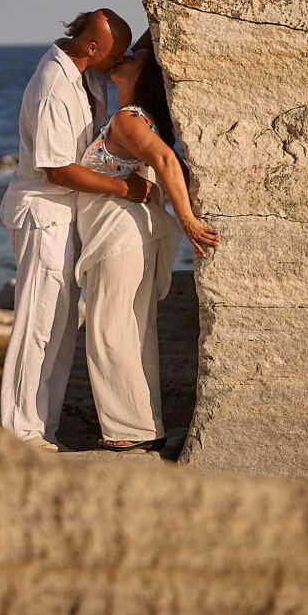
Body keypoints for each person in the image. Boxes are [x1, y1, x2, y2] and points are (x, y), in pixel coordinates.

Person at [0, 9, 152, 451]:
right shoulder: (52, 87)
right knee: (37, 325)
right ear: (92, 48)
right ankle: (20, 434)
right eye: (114, 53)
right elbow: (57, 171)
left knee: (62, 330)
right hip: (42, 216)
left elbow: (134, 53)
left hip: (66, 217)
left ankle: (43, 430)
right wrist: (123, 188)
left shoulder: (87, 75)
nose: (120, 60)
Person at [76, 43, 220, 451]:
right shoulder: (141, 119)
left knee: (108, 331)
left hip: (118, 237)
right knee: (134, 331)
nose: (123, 55)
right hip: (132, 236)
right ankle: (143, 428)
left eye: (134, 53)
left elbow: (165, 161)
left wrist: (188, 220)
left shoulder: (128, 118)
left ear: (146, 74)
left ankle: (127, 433)